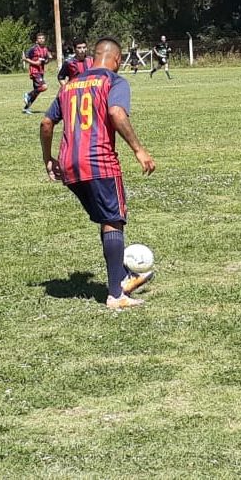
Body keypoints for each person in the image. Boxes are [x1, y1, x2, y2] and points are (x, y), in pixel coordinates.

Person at [39, 37, 157, 310]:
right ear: (117, 59)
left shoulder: (69, 85)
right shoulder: (114, 81)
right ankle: (116, 294)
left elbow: (46, 123)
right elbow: (116, 112)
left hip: (69, 165)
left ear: (93, 58)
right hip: (99, 162)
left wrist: (48, 159)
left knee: (106, 218)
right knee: (113, 219)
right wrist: (139, 150)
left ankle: (123, 277)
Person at [22, 32, 53, 114]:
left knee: (37, 91)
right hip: (34, 71)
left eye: (43, 38)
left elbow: (45, 62)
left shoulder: (45, 49)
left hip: (41, 71)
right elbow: (25, 58)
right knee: (44, 87)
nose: (41, 40)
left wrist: (49, 59)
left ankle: (26, 108)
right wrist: (35, 63)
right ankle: (28, 95)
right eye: (40, 38)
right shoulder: (33, 49)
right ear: (36, 40)